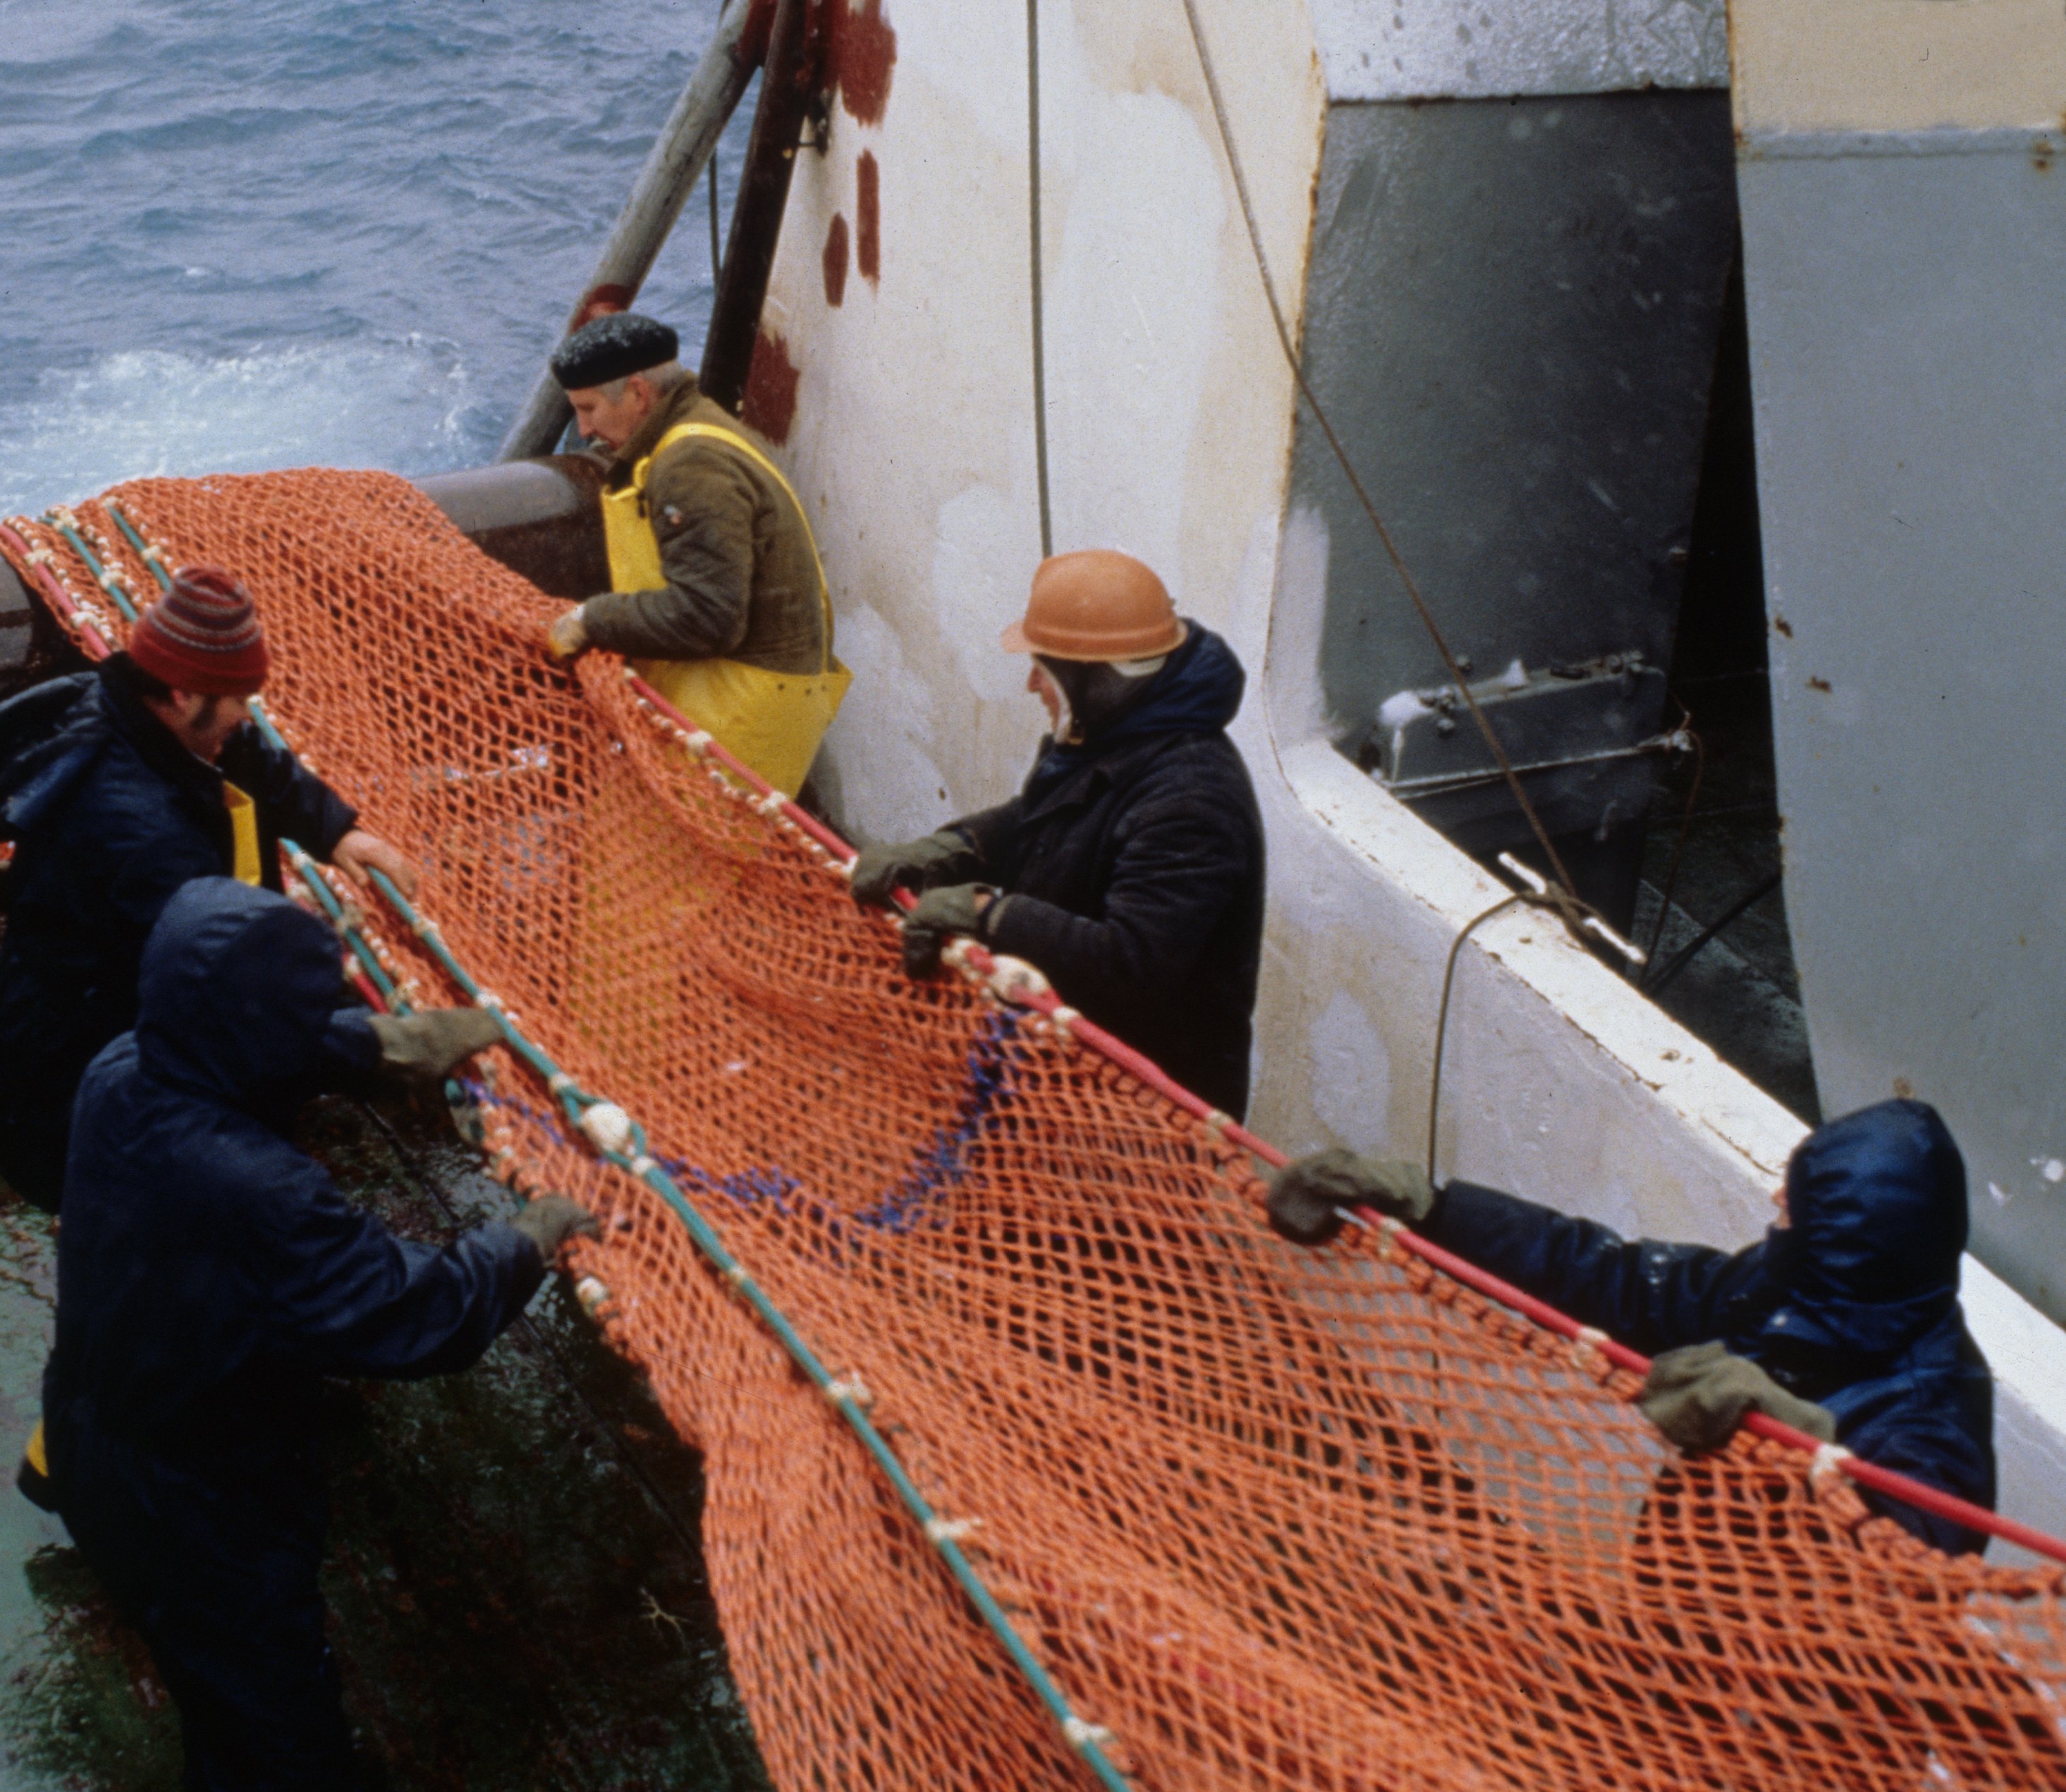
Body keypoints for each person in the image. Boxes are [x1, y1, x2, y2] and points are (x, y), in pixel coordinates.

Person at [49, 878, 598, 1790]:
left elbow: (238, 1044)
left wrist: (379, 1049)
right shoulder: (259, 1192)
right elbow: (412, 1314)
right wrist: (525, 1239)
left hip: (93, 1427)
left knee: (206, 1678)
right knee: (271, 1716)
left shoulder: (121, 1066)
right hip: (198, 1503)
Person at [1263, 1097, 1996, 1554]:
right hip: (1678, 1649)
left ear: (1848, 1248)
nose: (1774, 1197)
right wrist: (1433, 1208)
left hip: (1796, 1732)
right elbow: (1608, 1275)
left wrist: (1802, 1443)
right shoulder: (1780, 1290)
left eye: (1791, 1204)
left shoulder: (1935, 1413)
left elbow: (1924, 1561)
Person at [0, 564, 417, 1213]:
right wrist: (384, 1039)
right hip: (71, 1103)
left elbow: (244, 750)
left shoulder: (131, 711)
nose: (246, 714)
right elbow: (232, 1007)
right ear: (179, 693)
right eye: (236, 699)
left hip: (88, 1030)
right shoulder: (143, 836)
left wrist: (336, 833)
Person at [849, 549, 1265, 1121]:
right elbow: (1044, 816)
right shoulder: (1113, 738)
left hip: (1143, 1122)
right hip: (1061, 1076)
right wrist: (952, 850)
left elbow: (1130, 962)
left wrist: (987, 914)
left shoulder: (1192, 802)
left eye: (1044, 669)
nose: (1030, 685)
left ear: (1101, 681)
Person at [540, 311, 850, 795]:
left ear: (638, 394)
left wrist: (592, 619)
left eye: (589, 408)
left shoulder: (690, 464)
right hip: (743, 694)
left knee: (646, 866)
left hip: (741, 713)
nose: (582, 430)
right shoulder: (698, 424)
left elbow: (708, 616)